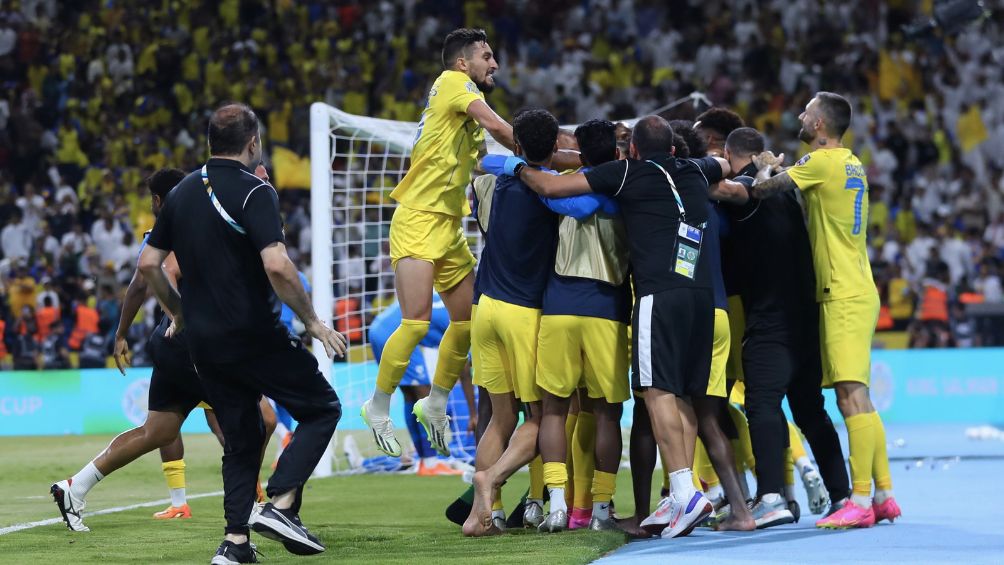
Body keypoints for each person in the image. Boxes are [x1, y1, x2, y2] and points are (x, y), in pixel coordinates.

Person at [483, 115, 754, 537]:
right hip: (702, 298)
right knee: (680, 395)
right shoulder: (697, 169)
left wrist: (514, 165)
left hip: (656, 297)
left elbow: (552, 188)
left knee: (654, 392)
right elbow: (731, 166)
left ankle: (684, 491)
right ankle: (675, 498)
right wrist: (757, 174)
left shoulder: (628, 173)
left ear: (632, 151)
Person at [139, 104, 347, 563]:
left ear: (210, 141)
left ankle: (235, 544)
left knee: (243, 438)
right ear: (253, 142)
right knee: (322, 407)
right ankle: (282, 504)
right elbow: (276, 264)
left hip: (205, 346)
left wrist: (178, 311)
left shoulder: (182, 191)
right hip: (254, 335)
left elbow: (148, 265)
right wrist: (313, 322)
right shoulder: (256, 192)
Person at [360, 28, 517, 460]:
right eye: (487, 56)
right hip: (416, 218)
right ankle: (376, 407)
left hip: (447, 226)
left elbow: (484, 158)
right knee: (414, 322)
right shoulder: (454, 84)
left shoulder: (461, 115)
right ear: (463, 63)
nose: (495, 64)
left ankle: (435, 402)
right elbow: (498, 128)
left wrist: (520, 168)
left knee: (467, 322)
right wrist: (542, 150)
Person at [750, 92, 902, 528]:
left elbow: (763, 190)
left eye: (806, 111)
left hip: (841, 292)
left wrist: (764, 165)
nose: (799, 115)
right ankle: (885, 493)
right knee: (861, 396)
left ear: (819, 125)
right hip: (858, 284)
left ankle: (858, 500)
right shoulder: (850, 162)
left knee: (850, 396)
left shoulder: (820, 162)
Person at [719, 126, 851, 526]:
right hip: (805, 315)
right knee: (810, 410)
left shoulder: (749, 188)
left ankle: (772, 495)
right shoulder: (789, 193)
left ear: (730, 153)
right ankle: (843, 495)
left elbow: (734, 193)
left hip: (770, 317)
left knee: (762, 404)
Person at [533, 119, 631, 532]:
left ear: (581, 153)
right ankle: (601, 509)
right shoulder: (627, 188)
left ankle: (558, 503)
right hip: (607, 307)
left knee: (554, 411)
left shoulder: (560, 186)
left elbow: (565, 198)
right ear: (617, 151)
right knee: (606, 415)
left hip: (559, 305)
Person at [368, 292, 464, 476]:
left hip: (378, 329)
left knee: (411, 395)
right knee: (425, 396)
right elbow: (465, 371)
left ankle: (424, 462)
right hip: (396, 332)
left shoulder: (449, 303)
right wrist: (473, 411)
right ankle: (431, 464)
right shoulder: (462, 319)